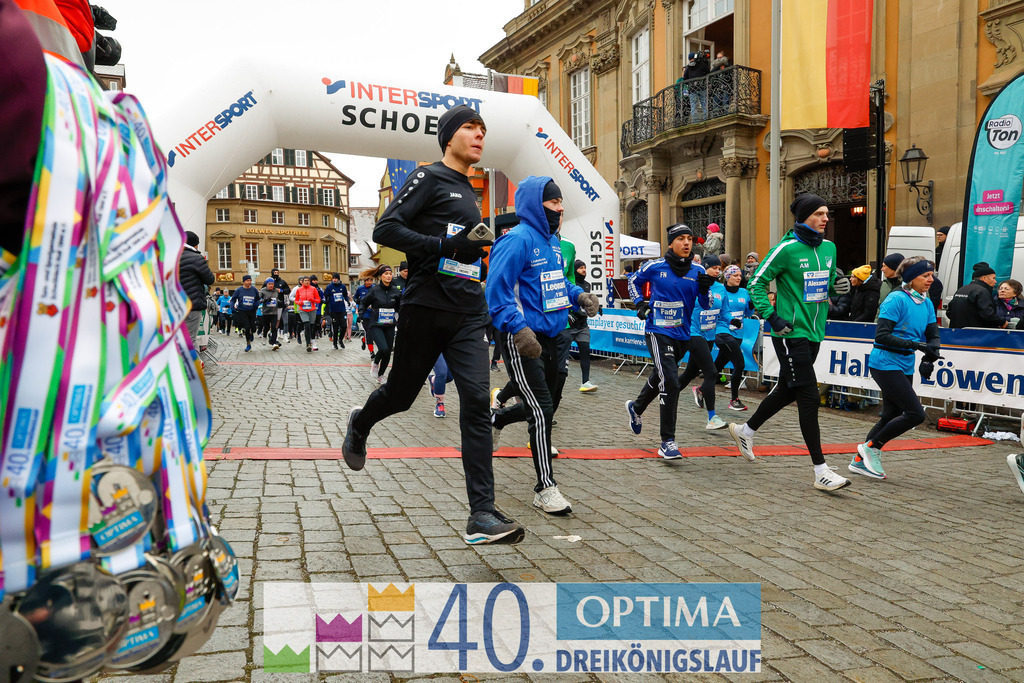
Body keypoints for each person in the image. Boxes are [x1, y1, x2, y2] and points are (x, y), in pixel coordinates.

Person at [342, 104, 525, 545]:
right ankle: (361, 424)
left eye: (483, 129)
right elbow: (387, 229)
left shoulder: (469, 189)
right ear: (448, 137)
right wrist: (445, 245)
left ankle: (480, 513)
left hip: (465, 311)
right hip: (425, 306)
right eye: (470, 128)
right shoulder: (428, 177)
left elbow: (458, 250)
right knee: (401, 396)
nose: (480, 135)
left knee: (478, 403)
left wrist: (468, 251)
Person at [487, 177, 599, 514]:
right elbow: (497, 292)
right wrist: (519, 330)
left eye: (561, 203)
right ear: (536, 205)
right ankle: (545, 487)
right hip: (522, 338)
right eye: (553, 203)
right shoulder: (515, 241)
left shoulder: (552, 243)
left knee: (546, 405)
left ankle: (497, 420)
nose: (560, 209)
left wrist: (578, 294)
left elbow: (555, 282)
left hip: (554, 334)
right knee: (541, 409)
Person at [728, 192, 854, 491]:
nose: (825, 218)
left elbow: (827, 285)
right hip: (790, 334)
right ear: (803, 217)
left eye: (826, 214)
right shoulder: (785, 249)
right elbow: (756, 282)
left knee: (787, 389)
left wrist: (839, 286)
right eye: (819, 214)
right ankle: (821, 470)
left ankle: (745, 431)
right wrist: (772, 317)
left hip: (815, 332)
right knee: (809, 397)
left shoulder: (830, 248)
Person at [624, 223, 713, 459]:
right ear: (671, 243)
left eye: (689, 239)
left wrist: (705, 290)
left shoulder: (698, 271)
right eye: (681, 239)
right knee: (671, 381)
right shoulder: (655, 266)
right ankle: (667, 441)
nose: (686, 243)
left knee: (661, 375)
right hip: (657, 331)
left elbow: (707, 305)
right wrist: (640, 305)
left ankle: (637, 407)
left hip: (683, 334)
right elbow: (633, 281)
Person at [851, 257, 940, 480]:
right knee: (915, 414)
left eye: (931, 275)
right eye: (925, 276)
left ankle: (860, 461)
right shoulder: (896, 299)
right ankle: (872, 448)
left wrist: (929, 357)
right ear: (911, 279)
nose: (931, 279)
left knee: (891, 414)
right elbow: (882, 335)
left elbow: (933, 335)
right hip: (885, 362)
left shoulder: (926, 302)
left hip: (905, 363)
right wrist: (916, 346)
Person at [677, 254, 727, 429]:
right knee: (711, 372)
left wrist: (731, 322)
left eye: (719, 269)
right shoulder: (694, 285)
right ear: (704, 268)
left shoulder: (721, 289)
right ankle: (712, 417)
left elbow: (724, 312)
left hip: (710, 335)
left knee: (690, 372)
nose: (716, 271)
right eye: (713, 268)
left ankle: (668, 395)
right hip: (693, 332)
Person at [714, 264, 754, 411]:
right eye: (735, 275)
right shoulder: (721, 291)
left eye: (739, 276)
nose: (739, 278)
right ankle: (734, 399)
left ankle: (701, 389)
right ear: (727, 276)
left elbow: (749, 314)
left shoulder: (744, 292)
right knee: (740, 364)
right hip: (723, 331)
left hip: (738, 334)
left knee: (717, 366)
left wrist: (750, 305)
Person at [359, 264, 402, 384]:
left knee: (388, 352)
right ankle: (375, 363)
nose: (389, 276)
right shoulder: (375, 290)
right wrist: (361, 314)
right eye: (386, 274)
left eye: (390, 274)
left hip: (389, 324)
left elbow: (401, 307)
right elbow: (363, 302)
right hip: (376, 324)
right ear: (381, 276)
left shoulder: (395, 291)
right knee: (383, 348)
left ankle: (381, 375)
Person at [179, 230, 215, 347]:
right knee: (190, 340)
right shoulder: (196, 258)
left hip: (173, 305)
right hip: (192, 304)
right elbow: (210, 279)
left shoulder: (169, 256)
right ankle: (194, 365)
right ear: (195, 245)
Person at [946, 262, 1008, 329]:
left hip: (957, 333)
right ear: (984, 278)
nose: (995, 281)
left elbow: (949, 312)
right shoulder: (982, 291)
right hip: (975, 335)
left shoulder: (962, 289)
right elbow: (988, 315)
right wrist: (1002, 322)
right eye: (993, 278)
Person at [569, 260, 598, 392]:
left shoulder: (587, 285)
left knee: (585, 351)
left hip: (582, 326)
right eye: (581, 268)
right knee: (561, 356)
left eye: (585, 267)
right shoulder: (570, 284)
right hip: (568, 326)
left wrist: (597, 307)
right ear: (575, 270)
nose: (584, 270)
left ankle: (585, 382)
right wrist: (568, 314)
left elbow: (586, 303)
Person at [230, 275, 260, 351]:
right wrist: (233, 308)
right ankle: (248, 344)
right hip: (242, 311)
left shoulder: (254, 290)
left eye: (250, 280)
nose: (249, 282)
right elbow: (232, 300)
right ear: (244, 282)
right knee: (247, 327)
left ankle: (252, 333)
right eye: (247, 280)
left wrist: (256, 305)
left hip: (252, 310)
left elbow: (258, 299)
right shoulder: (239, 290)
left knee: (253, 328)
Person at [294, 275, 322, 351]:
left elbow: (318, 300)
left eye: (308, 281)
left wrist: (312, 299)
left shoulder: (313, 289)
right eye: (305, 280)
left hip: (312, 309)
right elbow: (296, 300)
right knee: (306, 325)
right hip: (303, 310)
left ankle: (311, 340)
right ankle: (308, 344)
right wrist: (300, 303)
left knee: (311, 326)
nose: (307, 282)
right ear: (302, 282)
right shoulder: (299, 290)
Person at [324, 272, 350, 349]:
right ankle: (335, 343)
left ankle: (340, 340)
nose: (334, 280)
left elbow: (345, 295)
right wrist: (327, 301)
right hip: (334, 310)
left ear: (338, 279)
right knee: (335, 327)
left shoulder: (342, 286)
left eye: (336, 278)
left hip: (342, 309)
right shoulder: (329, 287)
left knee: (344, 326)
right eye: (333, 278)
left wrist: (347, 300)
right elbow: (326, 295)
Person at [258, 277, 282, 350]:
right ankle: (264, 337)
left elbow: (277, 299)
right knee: (267, 327)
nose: (271, 285)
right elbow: (258, 300)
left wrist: (279, 302)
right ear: (266, 284)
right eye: (269, 284)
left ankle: (274, 342)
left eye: (272, 284)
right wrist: (265, 300)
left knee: (274, 327)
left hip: (274, 312)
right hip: (266, 312)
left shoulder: (276, 291)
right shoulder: (263, 291)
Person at [269, 267, 291, 340]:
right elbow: (263, 289)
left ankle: (276, 332)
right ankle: (271, 331)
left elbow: (288, 290)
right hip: (270, 303)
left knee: (278, 319)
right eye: (275, 273)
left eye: (277, 273)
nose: (276, 274)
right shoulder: (269, 281)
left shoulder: (282, 282)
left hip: (280, 303)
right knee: (271, 318)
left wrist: (281, 290)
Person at [355, 276, 375, 353]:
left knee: (372, 333)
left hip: (373, 314)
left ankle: (364, 339)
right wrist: (360, 302)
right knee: (369, 332)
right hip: (365, 314)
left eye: (371, 280)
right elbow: (356, 298)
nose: (370, 282)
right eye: (368, 281)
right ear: (365, 281)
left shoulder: (375, 288)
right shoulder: (360, 289)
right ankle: (372, 352)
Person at [309, 274, 326, 342]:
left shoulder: (319, 289)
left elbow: (323, 297)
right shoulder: (308, 288)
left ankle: (314, 334)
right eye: (313, 280)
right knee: (311, 324)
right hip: (310, 309)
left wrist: (323, 301)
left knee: (317, 324)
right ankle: (311, 337)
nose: (315, 282)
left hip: (318, 309)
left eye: (316, 280)